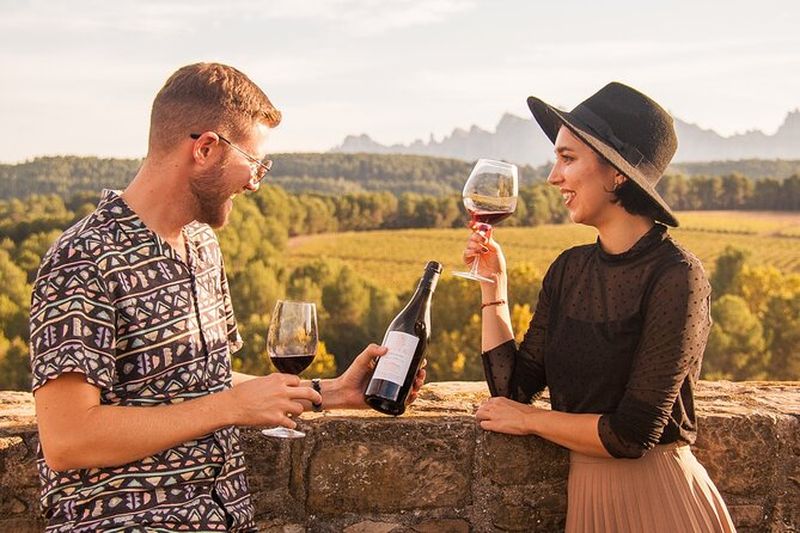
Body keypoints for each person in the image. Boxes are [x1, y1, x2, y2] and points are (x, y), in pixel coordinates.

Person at [29, 62, 426, 532]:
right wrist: (230, 409)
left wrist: (330, 392)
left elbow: (204, 381)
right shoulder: (84, 258)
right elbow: (68, 439)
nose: (258, 180)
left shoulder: (202, 246)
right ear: (205, 148)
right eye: (255, 162)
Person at [466, 82, 735, 532]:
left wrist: (533, 420)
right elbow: (511, 390)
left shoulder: (678, 276)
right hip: (588, 505)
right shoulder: (569, 270)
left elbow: (632, 433)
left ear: (617, 173)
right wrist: (494, 287)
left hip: (664, 505)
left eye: (567, 158)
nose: (553, 177)